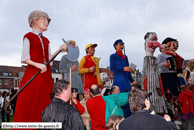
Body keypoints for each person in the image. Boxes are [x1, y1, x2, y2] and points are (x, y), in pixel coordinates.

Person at [14, 10, 67, 123]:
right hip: (33, 74)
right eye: (44, 19)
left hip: (45, 75)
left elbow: (49, 61)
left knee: (45, 103)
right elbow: (24, 58)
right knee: (29, 102)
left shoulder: (46, 40)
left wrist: (59, 50)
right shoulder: (28, 36)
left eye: (47, 20)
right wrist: (38, 65)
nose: (47, 22)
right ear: (34, 21)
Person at [141, 32, 167, 114]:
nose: (155, 43)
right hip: (150, 91)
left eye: (156, 40)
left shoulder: (154, 59)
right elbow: (145, 77)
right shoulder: (147, 59)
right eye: (152, 39)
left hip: (157, 91)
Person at [110, 39, 135, 117]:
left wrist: (132, 81)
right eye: (120, 45)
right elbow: (112, 68)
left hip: (126, 82)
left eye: (122, 45)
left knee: (129, 100)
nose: (121, 46)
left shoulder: (125, 57)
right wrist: (123, 69)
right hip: (118, 82)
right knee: (120, 100)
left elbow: (128, 70)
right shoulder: (113, 56)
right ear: (115, 46)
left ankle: (129, 118)